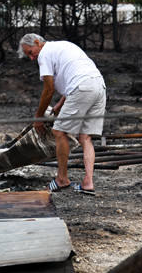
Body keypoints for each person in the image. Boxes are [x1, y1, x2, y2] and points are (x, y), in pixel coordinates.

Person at [18, 33, 106, 195]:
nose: (31, 58)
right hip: (98, 86)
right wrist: (59, 105)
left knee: (59, 131)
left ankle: (62, 179)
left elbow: (49, 89)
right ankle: (88, 182)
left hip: (81, 88)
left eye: (30, 52)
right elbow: (76, 74)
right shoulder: (63, 45)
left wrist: (38, 119)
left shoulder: (44, 54)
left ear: (37, 42)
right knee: (85, 137)